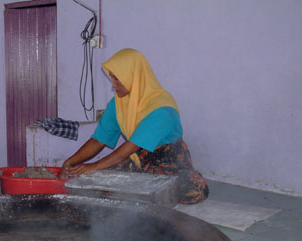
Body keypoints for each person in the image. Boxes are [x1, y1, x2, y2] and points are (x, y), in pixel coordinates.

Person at [59, 48, 208, 204]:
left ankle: (149, 196)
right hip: (137, 161)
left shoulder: (162, 109)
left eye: (117, 79)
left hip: (168, 162)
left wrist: (94, 166)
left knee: (192, 189)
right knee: (94, 182)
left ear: (133, 77)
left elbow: (131, 146)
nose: (113, 86)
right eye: (112, 79)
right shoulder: (118, 104)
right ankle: (144, 196)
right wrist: (70, 163)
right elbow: (98, 140)